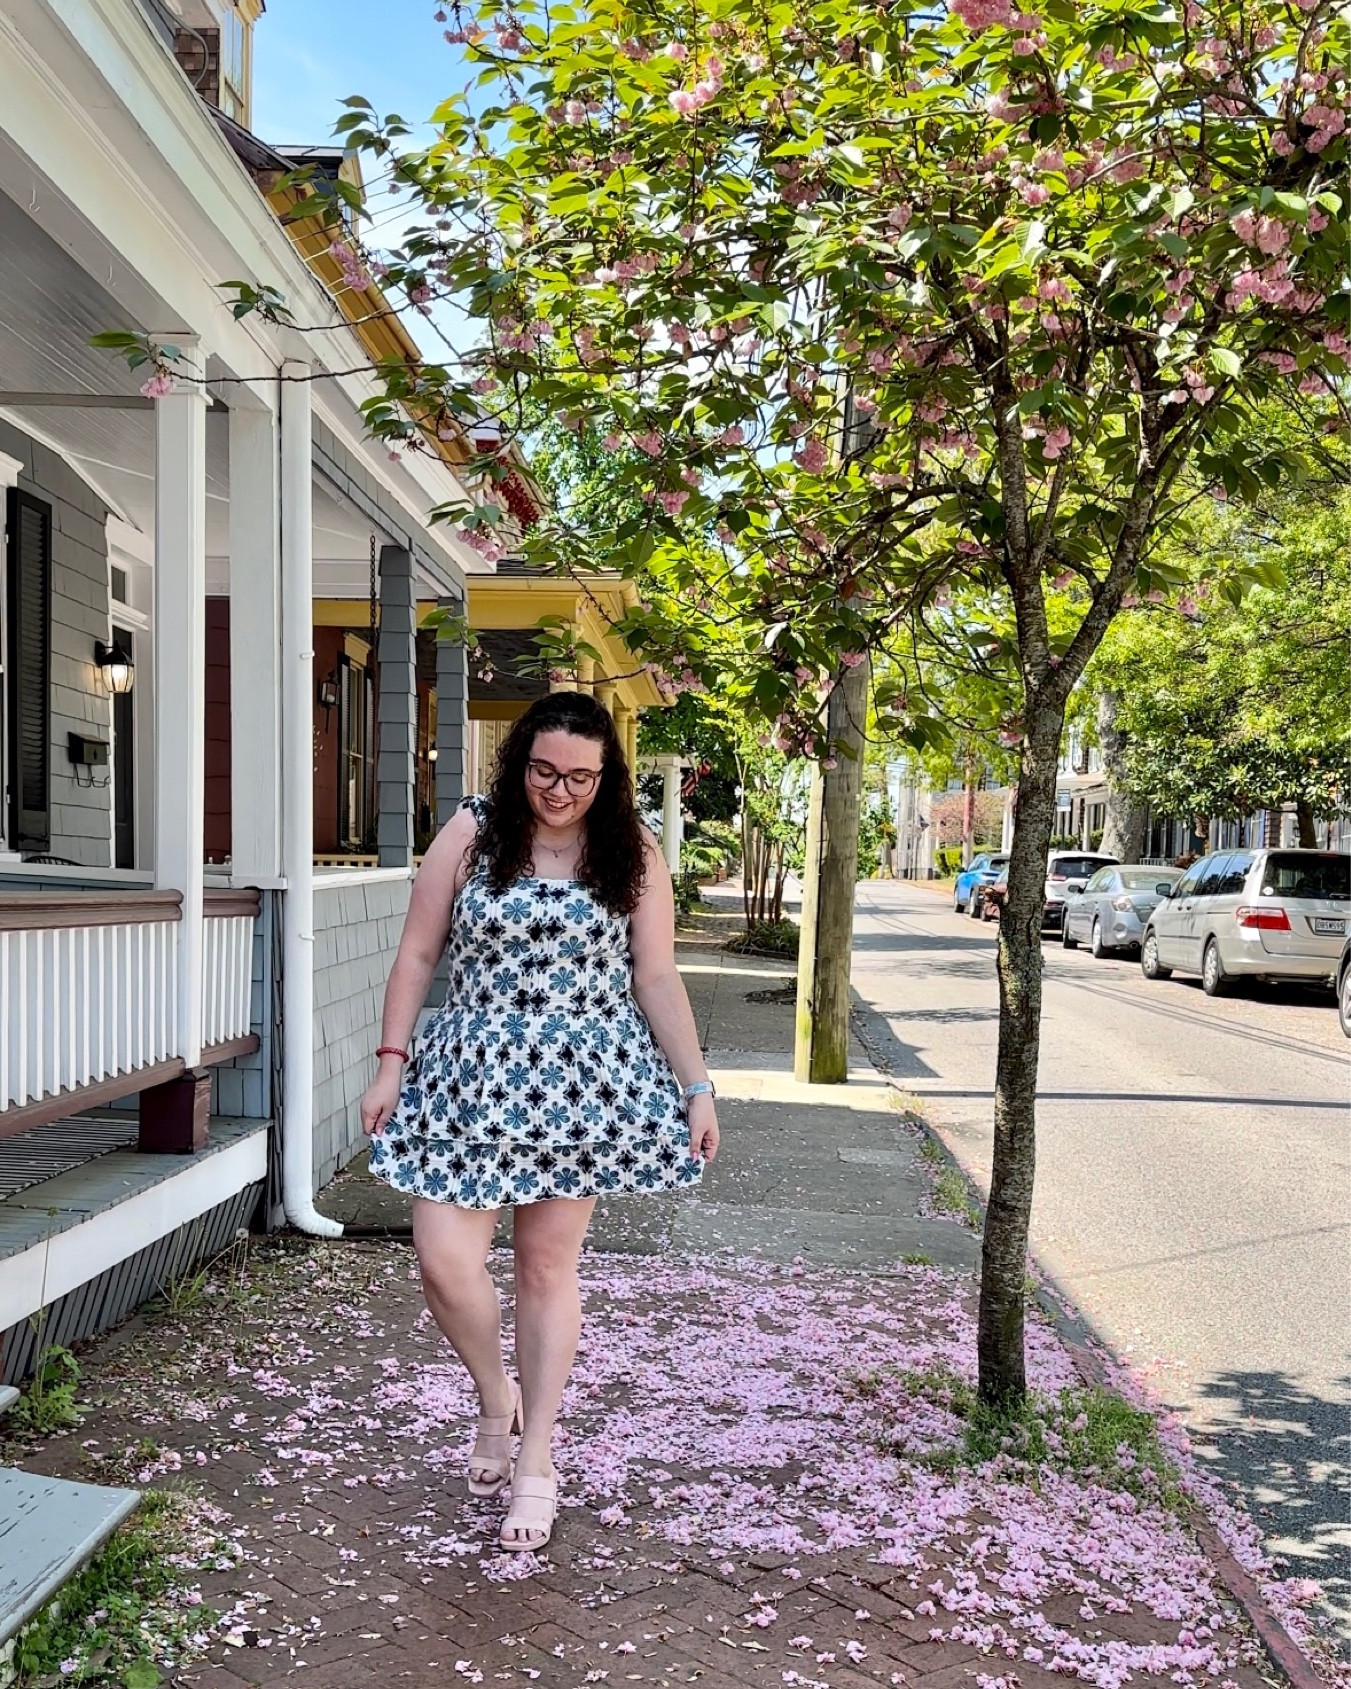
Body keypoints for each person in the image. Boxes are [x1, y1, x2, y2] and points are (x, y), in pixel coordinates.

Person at [360, 691, 720, 1553]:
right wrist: (390, 1060)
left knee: (544, 1266)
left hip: (579, 1085)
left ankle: (537, 1455)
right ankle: (497, 1398)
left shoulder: (630, 846)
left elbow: (655, 975)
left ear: (607, 776)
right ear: (519, 759)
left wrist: (697, 1086)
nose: (559, 791)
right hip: (470, 1077)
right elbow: (418, 951)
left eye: (580, 777)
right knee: (444, 1259)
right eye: (544, 771)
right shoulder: (472, 831)